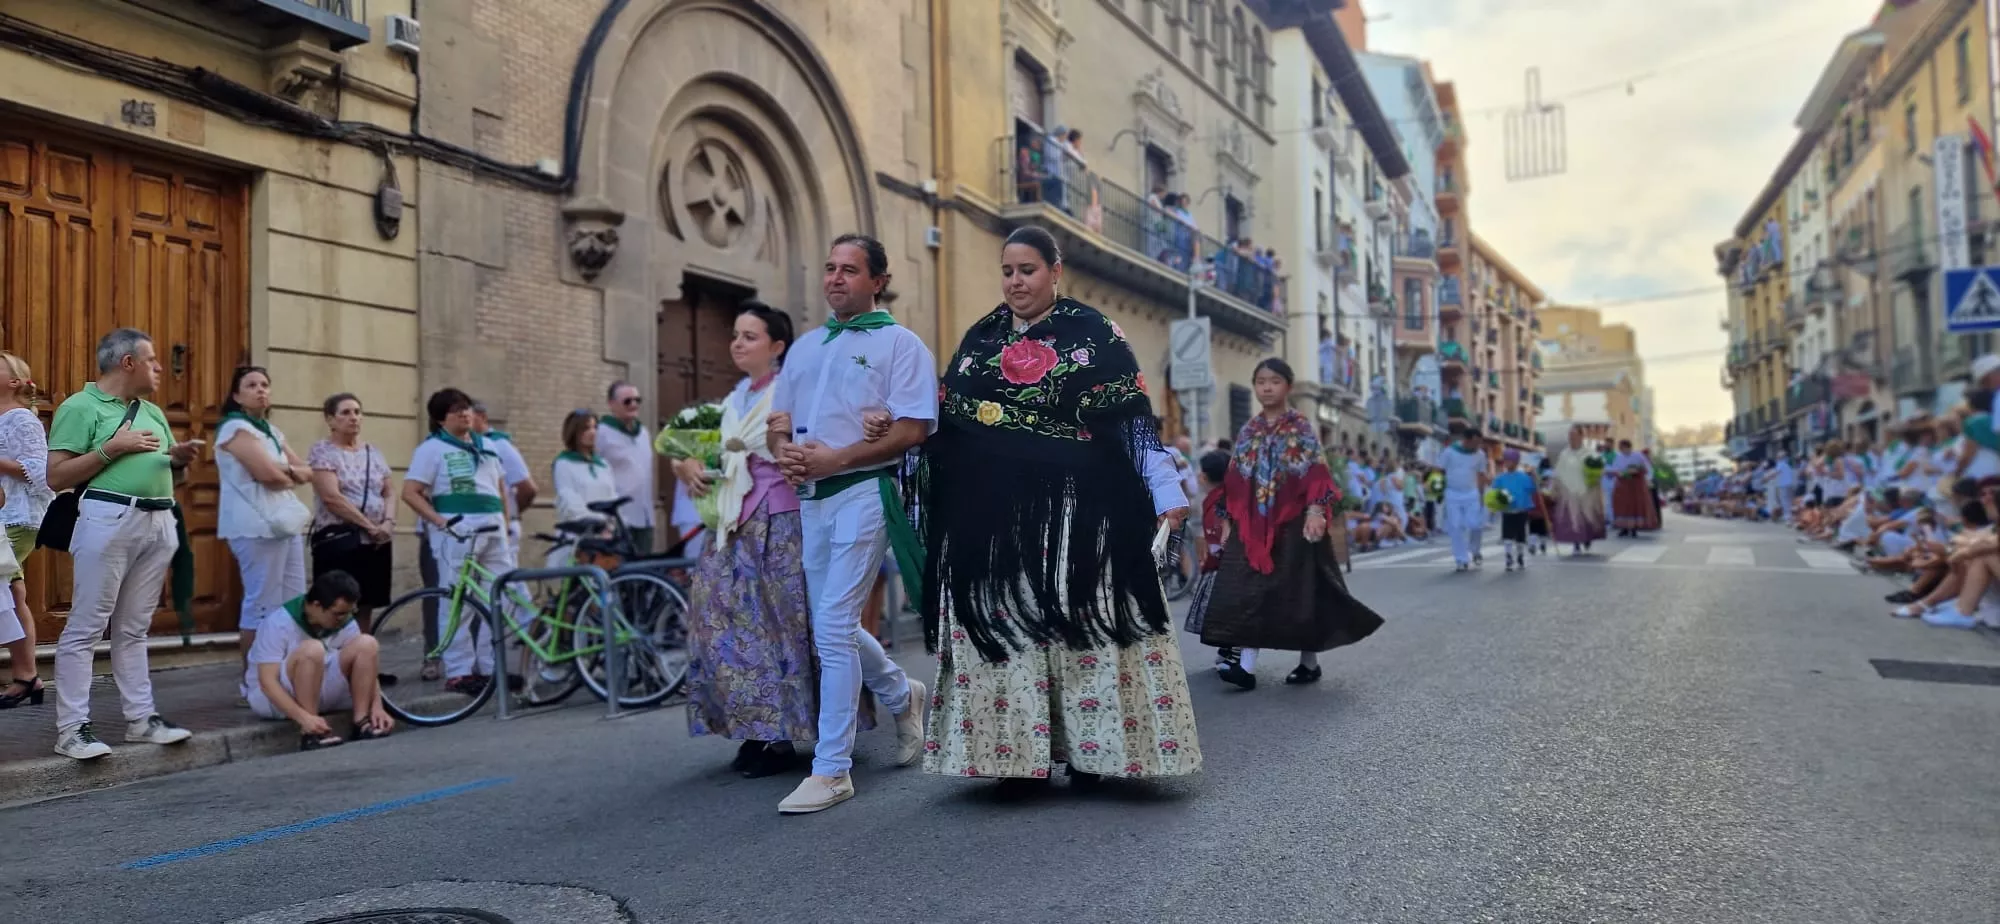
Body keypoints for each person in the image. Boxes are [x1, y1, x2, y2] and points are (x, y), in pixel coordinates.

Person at [913, 225, 1199, 788]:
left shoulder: (1096, 335)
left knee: (1081, 636)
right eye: (1008, 271)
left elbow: (1134, 425)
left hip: (1080, 513)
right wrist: (908, 436)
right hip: (995, 520)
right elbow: (950, 428)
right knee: (1010, 635)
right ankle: (1014, 759)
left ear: (1054, 270)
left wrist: (1167, 494)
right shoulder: (981, 339)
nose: (1016, 282)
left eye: (1027, 270)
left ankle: (1096, 756)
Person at [763, 233, 932, 814]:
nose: (836, 278)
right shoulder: (807, 346)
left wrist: (834, 458)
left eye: (850, 270)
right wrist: (783, 449)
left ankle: (831, 768)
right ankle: (899, 691)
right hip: (813, 498)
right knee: (827, 620)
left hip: (865, 490)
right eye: (830, 268)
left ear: (877, 280)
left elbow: (914, 429)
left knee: (832, 623)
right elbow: (778, 421)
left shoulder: (900, 344)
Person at [667, 302, 820, 778]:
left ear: (777, 347)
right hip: (731, 523)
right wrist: (687, 464)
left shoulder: (790, 391)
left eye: (749, 336)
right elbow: (683, 447)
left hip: (780, 522)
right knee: (723, 628)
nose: (737, 343)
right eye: (735, 335)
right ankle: (753, 729)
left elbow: (807, 445)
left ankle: (782, 735)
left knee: (780, 628)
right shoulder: (732, 400)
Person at [46, 328, 203, 759]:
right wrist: (112, 449)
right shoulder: (80, 407)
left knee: (134, 628)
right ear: (127, 362)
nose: (159, 369)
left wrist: (180, 461)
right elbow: (56, 477)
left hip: (158, 521)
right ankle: (72, 729)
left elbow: (170, 472)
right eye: (152, 361)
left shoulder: (152, 411)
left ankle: (141, 719)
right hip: (108, 516)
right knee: (86, 626)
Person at [1200, 358, 1383, 689]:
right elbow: (1236, 480)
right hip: (1252, 525)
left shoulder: (1299, 428)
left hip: (1294, 525)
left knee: (1301, 593)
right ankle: (1246, 666)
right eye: (1260, 381)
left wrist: (1315, 512)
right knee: (1248, 590)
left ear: (1289, 386)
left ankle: (1308, 663)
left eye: (1274, 381)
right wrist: (1228, 520)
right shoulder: (1249, 430)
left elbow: (1316, 474)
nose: (1267, 387)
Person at [401, 387, 514, 696]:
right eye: (456, 410)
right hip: (458, 531)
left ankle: (492, 666)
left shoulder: (488, 445)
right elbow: (410, 491)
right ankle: (460, 671)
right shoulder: (431, 449)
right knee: (456, 602)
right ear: (440, 419)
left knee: (501, 596)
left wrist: (506, 520)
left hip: (493, 529)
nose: (465, 413)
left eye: (467, 408)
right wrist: (439, 522)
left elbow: (500, 486)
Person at [215, 366, 314, 701]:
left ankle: (287, 673)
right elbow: (268, 475)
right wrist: (286, 474)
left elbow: (305, 471)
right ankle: (254, 681)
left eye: (265, 384)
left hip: (283, 523)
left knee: (293, 598)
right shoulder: (234, 428)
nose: (260, 390)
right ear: (236, 395)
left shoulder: (270, 430)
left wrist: (282, 472)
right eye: (252, 385)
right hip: (253, 526)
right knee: (261, 603)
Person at [244, 570, 393, 750]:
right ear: (316, 605)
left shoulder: (344, 620)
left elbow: (367, 665)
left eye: (348, 613)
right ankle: (312, 733)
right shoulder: (278, 623)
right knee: (312, 649)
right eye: (337, 614)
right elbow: (267, 682)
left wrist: (376, 706)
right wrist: (304, 718)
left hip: (319, 687)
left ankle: (362, 721)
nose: (343, 619)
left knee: (367, 643)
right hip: (273, 700)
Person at [306, 393, 397, 630]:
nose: (353, 418)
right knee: (335, 601)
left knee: (365, 603)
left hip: (376, 542)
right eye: (345, 413)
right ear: (330, 419)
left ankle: (360, 660)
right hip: (342, 541)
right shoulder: (322, 452)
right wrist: (369, 526)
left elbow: (389, 491)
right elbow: (331, 498)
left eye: (357, 412)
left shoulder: (373, 453)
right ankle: (333, 660)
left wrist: (388, 522)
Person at [0, 352, 50, 708]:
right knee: (13, 595)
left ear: (15, 381)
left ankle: (26, 675)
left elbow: (40, 471)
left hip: (18, 518)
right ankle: (27, 676)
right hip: (4, 519)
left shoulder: (21, 420)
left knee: (7, 592)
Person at [470, 402, 537, 555]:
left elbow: (527, 488)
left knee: (503, 574)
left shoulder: (500, 445)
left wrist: (511, 512)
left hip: (503, 525)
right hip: (481, 525)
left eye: (469, 417)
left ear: (482, 417)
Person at [598, 381, 657, 553]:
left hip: (645, 516)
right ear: (611, 404)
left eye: (637, 400)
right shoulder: (602, 433)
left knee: (643, 573)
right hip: (619, 517)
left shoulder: (644, 433)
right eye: (627, 401)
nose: (633, 405)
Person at [551, 409, 621, 528]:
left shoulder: (603, 465)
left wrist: (612, 525)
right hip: (579, 534)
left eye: (595, 427)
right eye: (586, 428)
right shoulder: (564, 464)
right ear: (574, 432)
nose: (592, 432)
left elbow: (612, 497)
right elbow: (569, 501)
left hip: (607, 535)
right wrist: (597, 524)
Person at [1438, 425, 1491, 571]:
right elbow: (1439, 470)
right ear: (1466, 441)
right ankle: (1461, 559)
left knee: (1475, 524)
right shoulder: (1449, 452)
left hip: (1471, 493)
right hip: (1452, 494)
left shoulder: (1480, 454)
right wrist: (1437, 489)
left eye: (1479, 443)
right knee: (1456, 527)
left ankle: (1475, 550)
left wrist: (1481, 496)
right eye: (1475, 443)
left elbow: (1481, 474)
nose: (1478, 446)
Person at [1549, 428, 1605, 555]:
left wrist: (1595, 476)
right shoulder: (1564, 454)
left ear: (1581, 436)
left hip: (1586, 491)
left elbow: (1599, 470)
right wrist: (1554, 488)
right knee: (1572, 518)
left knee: (1587, 517)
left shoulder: (1590, 454)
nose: (1571, 438)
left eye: (1574, 435)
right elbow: (1558, 472)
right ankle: (1576, 543)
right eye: (1570, 436)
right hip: (1569, 492)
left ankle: (1587, 538)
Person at [1609, 440, 1653, 537]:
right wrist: (1614, 473)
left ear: (1628, 447)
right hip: (1622, 484)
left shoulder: (1638, 455)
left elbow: (1647, 467)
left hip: (1635, 485)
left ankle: (1633, 528)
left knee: (1634, 505)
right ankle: (1623, 527)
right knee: (1622, 505)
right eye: (1620, 448)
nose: (1622, 450)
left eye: (1623, 448)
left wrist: (1647, 477)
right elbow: (1614, 468)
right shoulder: (1618, 457)